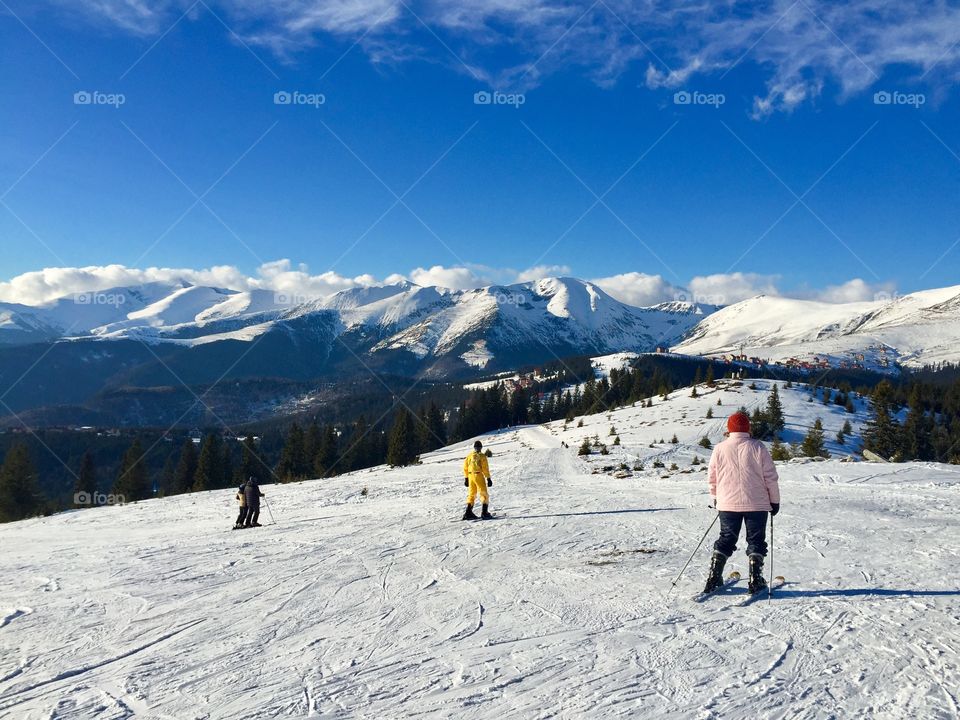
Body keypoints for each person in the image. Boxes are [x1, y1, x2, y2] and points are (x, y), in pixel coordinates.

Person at [703, 411, 781, 594]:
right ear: (748, 428)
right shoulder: (758, 447)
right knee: (756, 540)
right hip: (757, 504)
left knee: (726, 538)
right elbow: (771, 478)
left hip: (727, 503)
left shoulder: (720, 448)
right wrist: (774, 501)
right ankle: (755, 580)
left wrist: (717, 498)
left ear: (729, 429)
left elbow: (712, 478)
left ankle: (714, 577)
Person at [462, 440, 493, 520]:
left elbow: (465, 467)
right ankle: (484, 512)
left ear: (474, 447)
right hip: (478, 475)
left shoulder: (469, 456)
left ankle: (468, 512)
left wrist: (466, 478)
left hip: (470, 475)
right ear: (481, 448)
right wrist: (488, 478)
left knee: (472, 494)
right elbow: (485, 468)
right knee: (483, 493)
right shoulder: (482, 456)